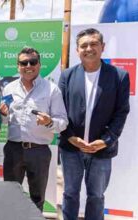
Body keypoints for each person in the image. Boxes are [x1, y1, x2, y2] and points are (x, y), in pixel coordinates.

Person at [58, 28, 130, 220]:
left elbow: (121, 112)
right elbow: (60, 111)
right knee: (70, 194)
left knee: (96, 197)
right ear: (77, 50)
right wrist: (70, 137)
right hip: (71, 148)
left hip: (101, 150)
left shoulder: (119, 76)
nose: (88, 48)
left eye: (93, 44)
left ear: (102, 47)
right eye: (84, 45)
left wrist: (106, 141)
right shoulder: (67, 76)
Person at [0, 47, 68, 211]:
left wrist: (49, 122)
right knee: (10, 196)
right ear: (18, 66)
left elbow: (63, 122)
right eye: (24, 62)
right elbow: (4, 119)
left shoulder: (52, 89)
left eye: (33, 62)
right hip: (13, 149)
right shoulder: (9, 89)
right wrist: (2, 114)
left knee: (37, 198)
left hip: (39, 152)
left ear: (39, 65)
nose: (28, 65)